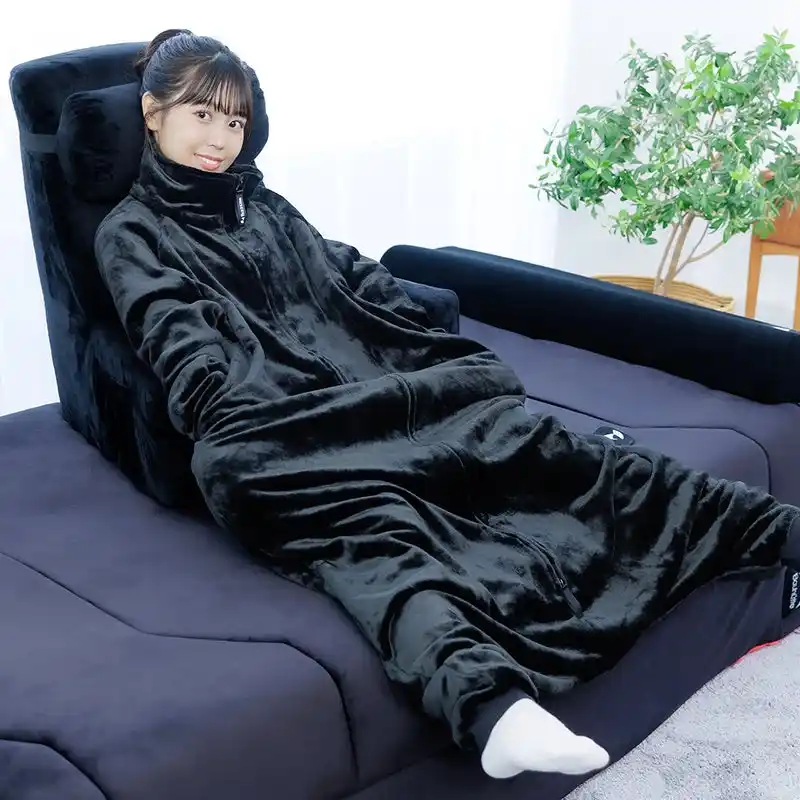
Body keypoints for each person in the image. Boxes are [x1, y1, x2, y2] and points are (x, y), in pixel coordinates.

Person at [94, 28, 800, 781]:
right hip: (283, 423)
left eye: (234, 121)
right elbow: (171, 330)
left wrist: (413, 327)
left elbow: (346, 270)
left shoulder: (262, 204)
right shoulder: (132, 231)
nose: (219, 139)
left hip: (382, 386)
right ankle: (495, 710)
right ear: (153, 113)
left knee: (547, 450)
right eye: (201, 115)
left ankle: (775, 530)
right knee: (376, 535)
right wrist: (224, 401)